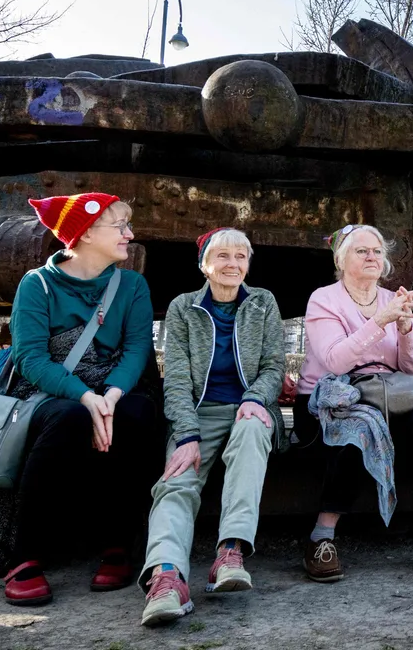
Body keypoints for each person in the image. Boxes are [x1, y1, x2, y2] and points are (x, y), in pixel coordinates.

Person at [0, 194, 162, 606]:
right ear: (86, 233)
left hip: (113, 387)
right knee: (70, 418)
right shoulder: (37, 284)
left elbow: (137, 348)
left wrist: (108, 396)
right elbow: (30, 358)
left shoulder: (132, 285)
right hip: (51, 390)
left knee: (137, 414)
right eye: (120, 226)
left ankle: (117, 545)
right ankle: (24, 554)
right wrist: (85, 397)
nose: (130, 233)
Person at [294, 224, 413, 581]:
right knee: (357, 426)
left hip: (387, 395)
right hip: (329, 399)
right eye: (361, 251)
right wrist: (381, 321)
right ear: (341, 258)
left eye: (377, 251)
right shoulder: (324, 298)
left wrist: (404, 330)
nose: (372, 257)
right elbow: (336, 361)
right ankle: (321, 538)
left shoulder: (389, 298)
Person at [140, 229, 285, 626]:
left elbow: (275, 366)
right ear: (204, 264)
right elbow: (179, 382)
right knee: (176, 481)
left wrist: (256, 398)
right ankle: (166, 578)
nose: (233, 264)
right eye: (222, 256)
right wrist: (186, 435)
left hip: (247, 408)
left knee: (255, 430)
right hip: (199, 414)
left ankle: (230, 553)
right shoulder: (183, 308)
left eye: (241, 256)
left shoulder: (263, 303)